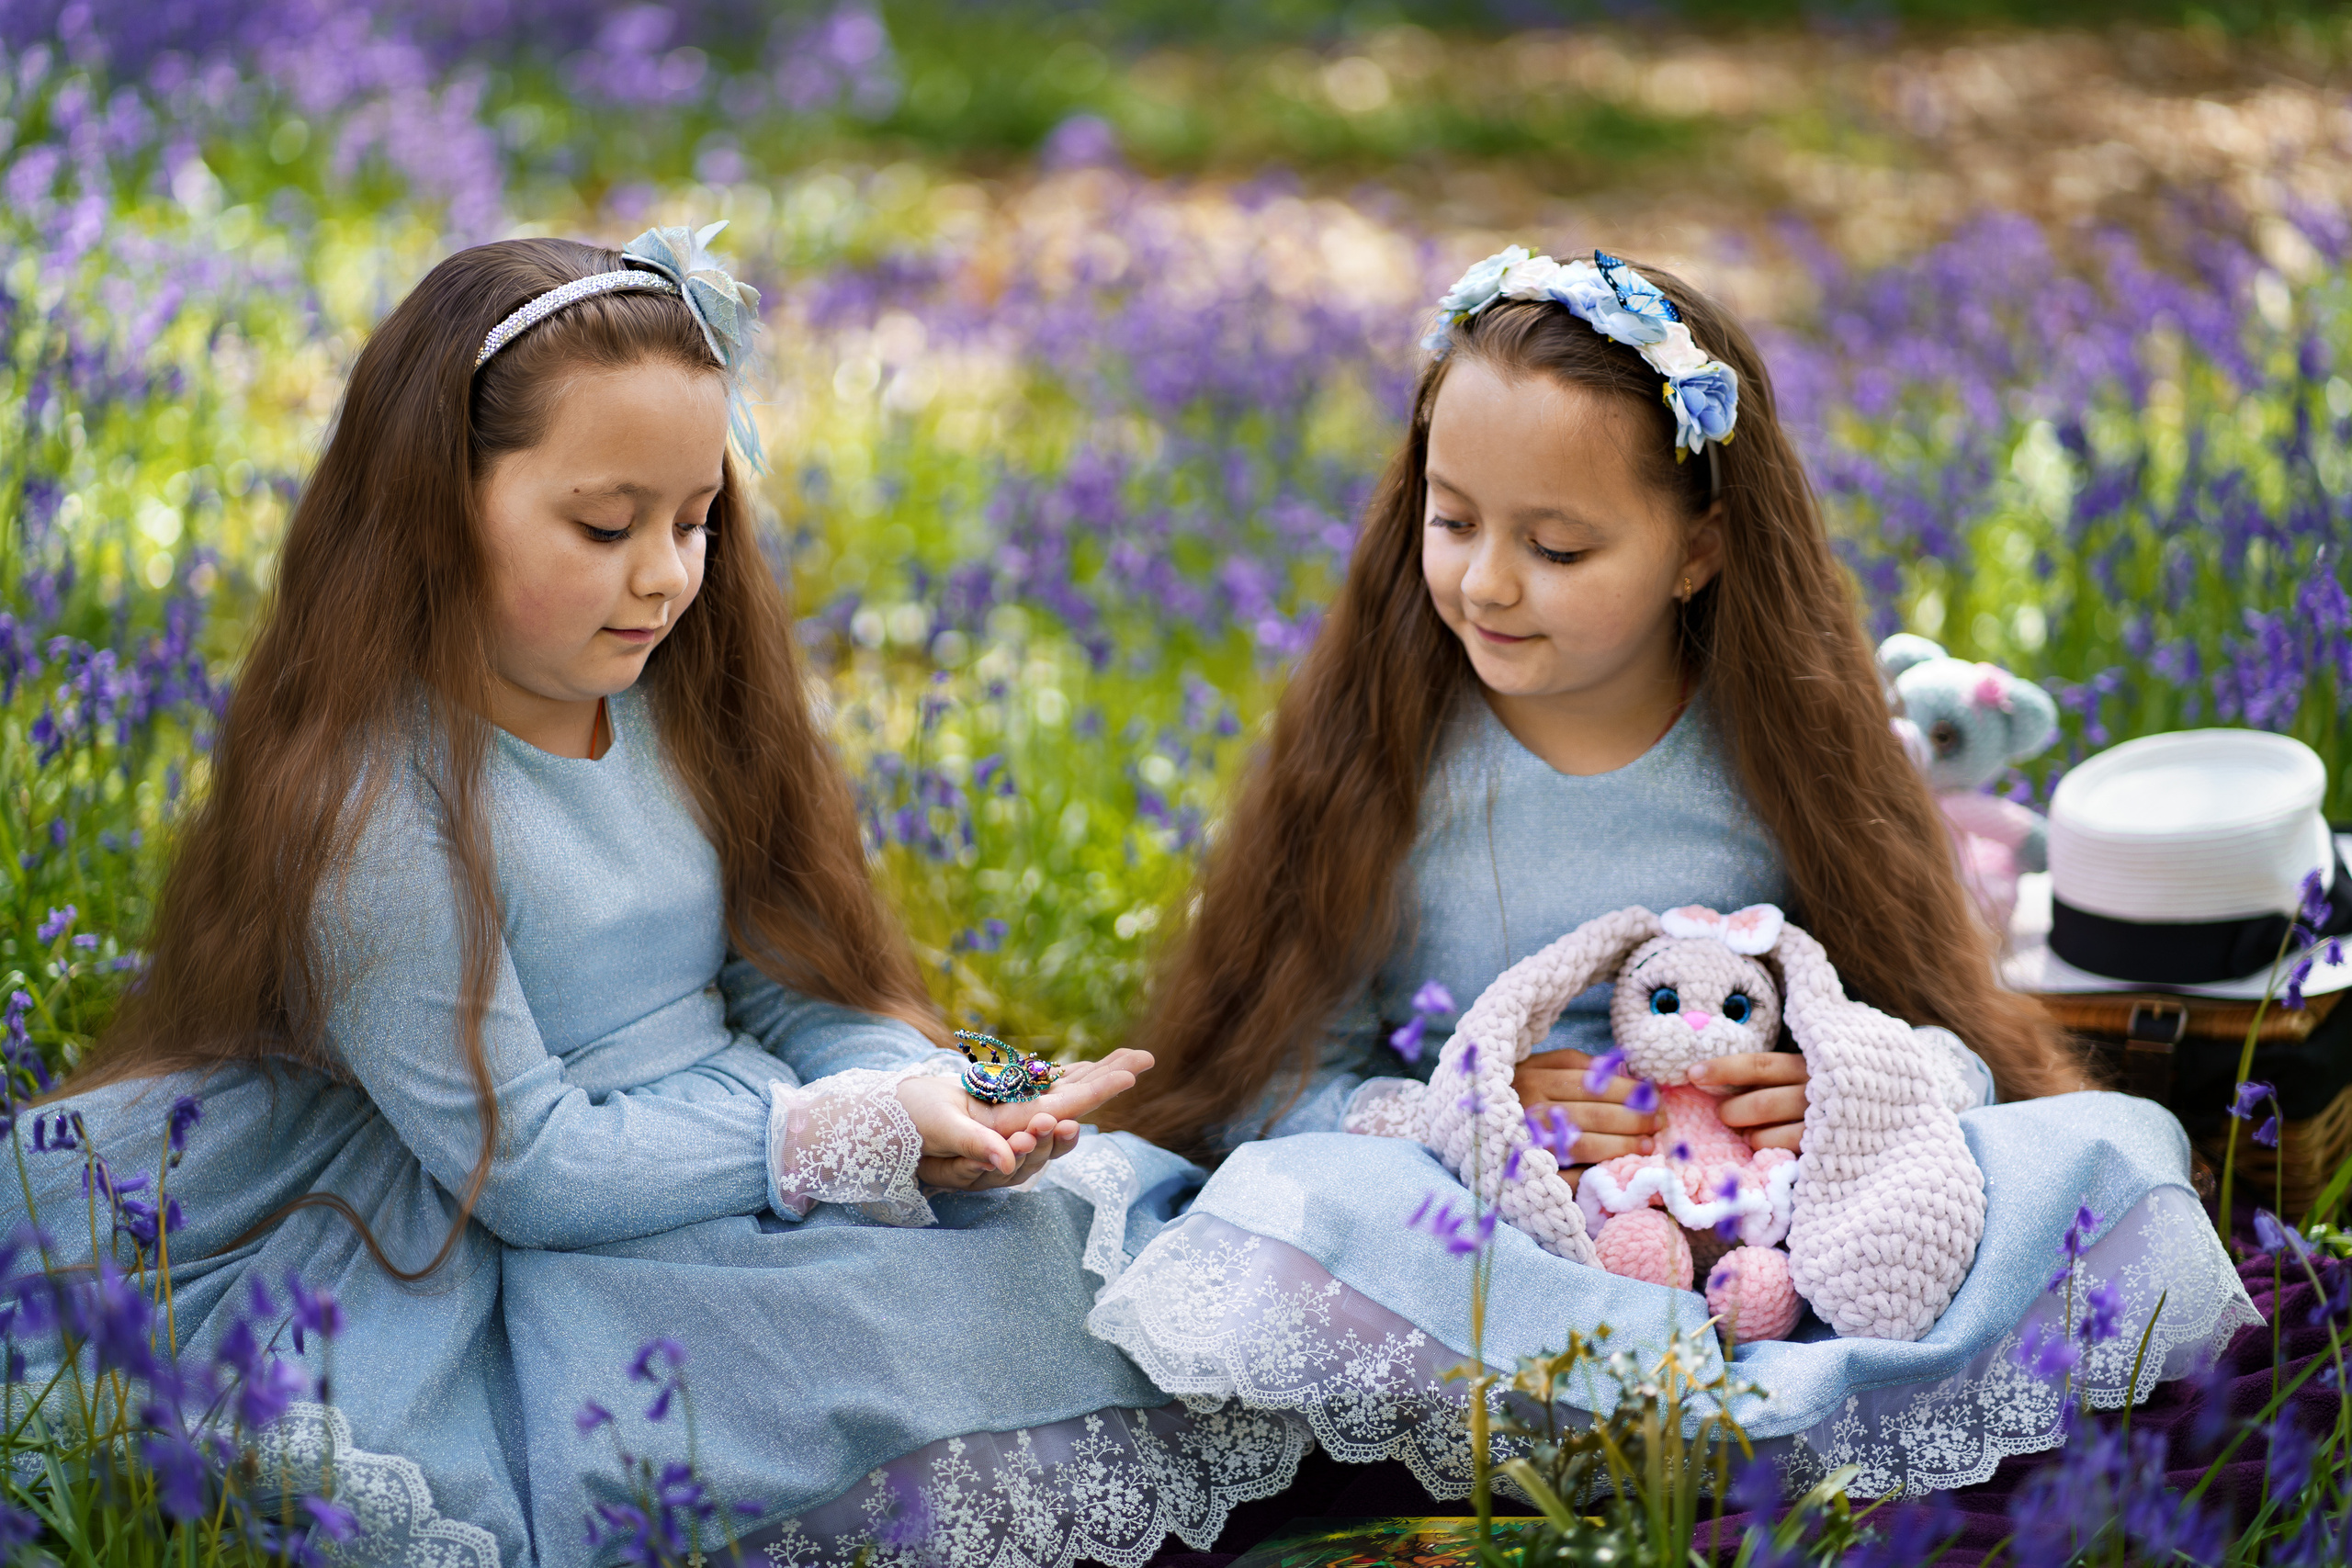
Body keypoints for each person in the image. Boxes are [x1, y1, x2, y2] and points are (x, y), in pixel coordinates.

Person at [6, 227, 1306, 1568]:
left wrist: (932, 1095)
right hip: (500, 1216)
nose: (668, 577)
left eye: (695, 521)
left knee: (1076, 1246)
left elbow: (785, 982)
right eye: (605, 525)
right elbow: (531, 1169)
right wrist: (825, 1141)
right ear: (432, 503)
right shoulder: (370, 812)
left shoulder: (674, 702)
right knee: (826, 1366)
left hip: (732, 1125)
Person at [1091, 247, 2257, 1500]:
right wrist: (1455, 1122)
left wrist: (1838, 1091)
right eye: (1452, 520)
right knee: (1294, 1204)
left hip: (1785, 1234)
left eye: (1558, 547)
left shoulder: (1782, 744)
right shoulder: (1383, 756)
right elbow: (1266, 1079)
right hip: (1483, 1246)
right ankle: (1638, 1404)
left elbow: (1948, 1032)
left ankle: (1764, 1392)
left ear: (1698, 549)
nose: (1485, 582)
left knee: (2114, 1154)